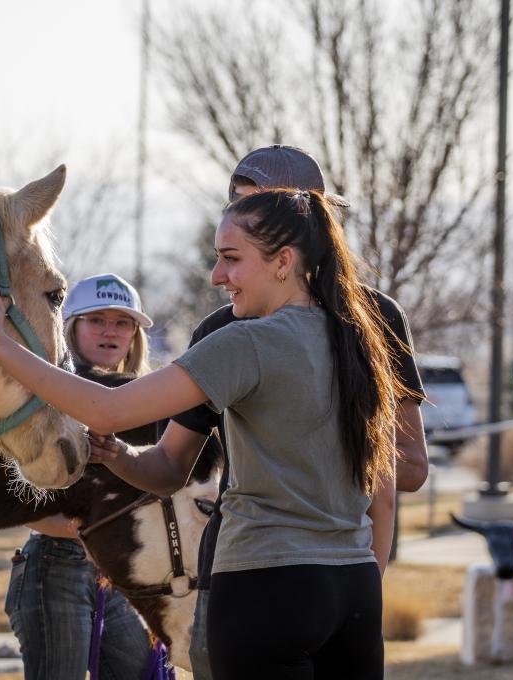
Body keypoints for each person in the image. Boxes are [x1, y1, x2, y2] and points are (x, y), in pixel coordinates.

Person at [0, 187, 410, 679]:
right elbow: (170, 470)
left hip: (268, 587)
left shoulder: (246, 342)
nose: (217, 277)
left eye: (231, 260)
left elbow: (106, 409)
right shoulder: (363, 341)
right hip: (354, 590)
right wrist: (122, 457)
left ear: (283, 261)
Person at [179, 145, 429, 679]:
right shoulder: (223, 331)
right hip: (244, 563)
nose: (249, 225)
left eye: (267, 211)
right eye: (240, 210)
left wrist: (362, 564)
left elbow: (408, 467)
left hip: (341, 569)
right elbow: (169, 465)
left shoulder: (375, 319)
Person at [5, 273, 154, 680]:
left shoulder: (150, 402)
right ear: (70, 328)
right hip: (57, 565)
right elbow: (14, 507)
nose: (111, 331)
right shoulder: (41, 402)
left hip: (124, 573)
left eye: (123, 322)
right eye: (96, 320)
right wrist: (88, 534)